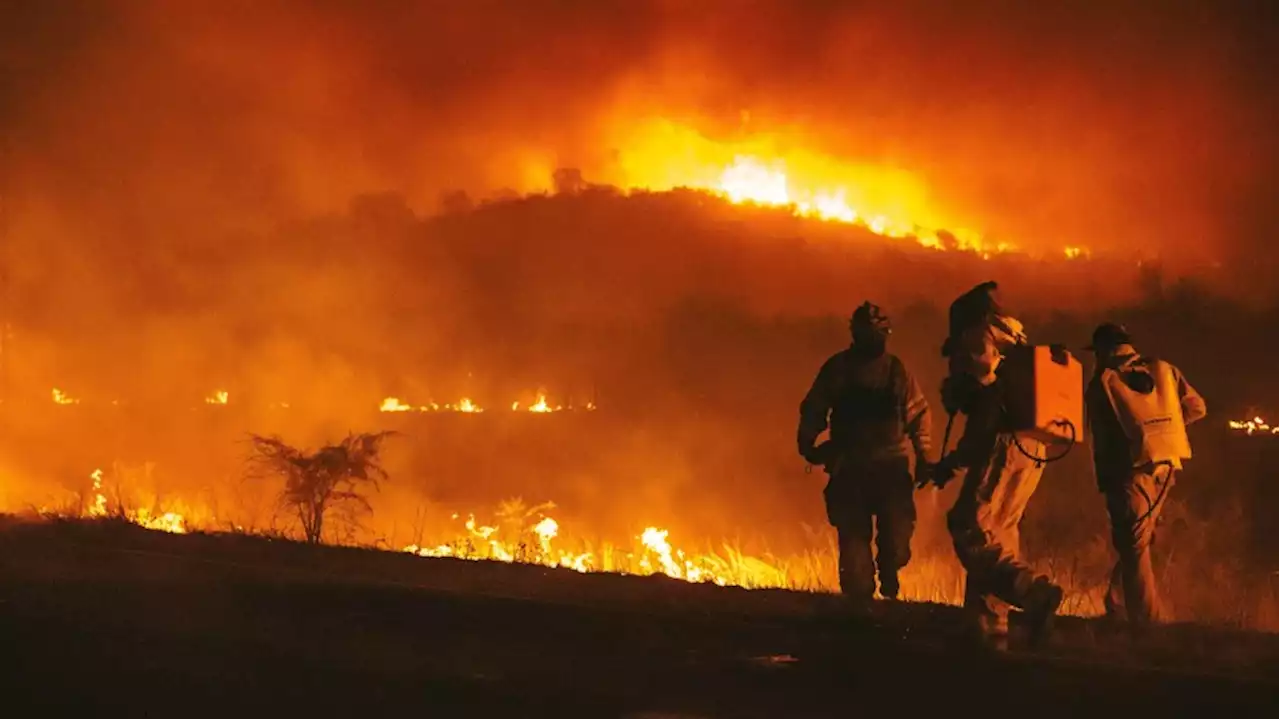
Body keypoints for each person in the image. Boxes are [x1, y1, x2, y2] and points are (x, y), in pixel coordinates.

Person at [928, 282, 1063, 649]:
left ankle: (1033, 593)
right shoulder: (1016, 340)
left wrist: (957, 393)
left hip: (1004, 443)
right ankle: (988, 623)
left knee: (969, 526)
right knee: (999, 531)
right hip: (1034, 445)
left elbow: (985, 401)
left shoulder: (979, 338)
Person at [797, 301, 933, 602]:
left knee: (896, 543)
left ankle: (888, 570)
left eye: (878, 332)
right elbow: (815, 407)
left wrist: (924, 456)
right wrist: (807, 442)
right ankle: (860, 615)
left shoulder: (898, 373)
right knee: (854, 552)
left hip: (891, 468)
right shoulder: (838, 370)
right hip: (851, 468)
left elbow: (918, 415)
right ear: (855, 334)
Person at [1084, 322, 1206, 630]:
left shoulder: (1103, 382)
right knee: (1137, 542)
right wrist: (1163, 432)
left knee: (1134, 547)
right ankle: (1117, 605)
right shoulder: (1164, 370)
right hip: (1166, 469)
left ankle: (1146, 625)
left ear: (1103, 351)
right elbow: (1197, 408)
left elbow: (1102, 438)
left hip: (1129, 474)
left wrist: (1108, 478)